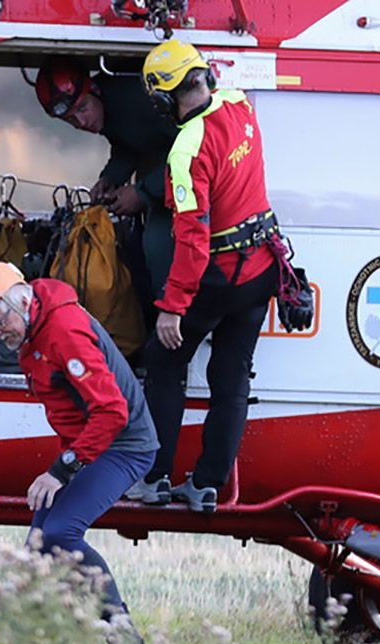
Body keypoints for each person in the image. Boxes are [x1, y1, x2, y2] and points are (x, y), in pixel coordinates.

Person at [0, 261, 159, 644]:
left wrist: (62, 469)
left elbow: (111, 413)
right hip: (92, 444)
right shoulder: (33, 326)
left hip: (124, 446)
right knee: (38, 548)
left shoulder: (63, 329)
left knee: (60, 533)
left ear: (21, 299)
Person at [127, 39, 279, 513]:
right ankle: (208, 484)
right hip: (262, 270)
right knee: (231, 379)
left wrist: (172, 308)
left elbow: (192, 240)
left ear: (161, 99)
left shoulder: (185, 151)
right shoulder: (239, 103)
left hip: (218, 278)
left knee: (165, 364)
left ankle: (153, 478)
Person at [35, 57, 178, 295]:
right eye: (70, 119)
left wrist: (142, 193)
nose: (81, 122)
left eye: (82, 108)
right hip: (158, 188)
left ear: (96, 90)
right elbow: (129, 144)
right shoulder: (108, 113)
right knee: (135, 251)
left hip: (185, 195)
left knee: (156, 247)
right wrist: (110, 178)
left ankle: (172, 324)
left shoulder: (142, 98)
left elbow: (196, 153)